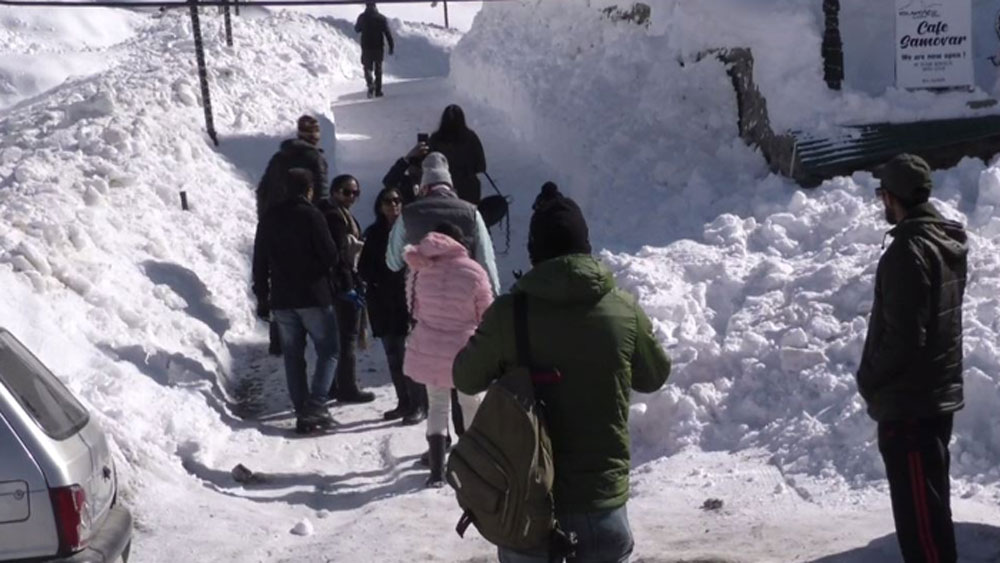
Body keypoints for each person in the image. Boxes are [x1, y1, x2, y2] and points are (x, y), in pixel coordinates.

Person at [453, 182, 672, 562]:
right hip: (603, 507)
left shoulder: (510, 314)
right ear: (585, 246)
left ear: (535, 252)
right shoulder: (623, 310)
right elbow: (654, 376)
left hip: (526, 507)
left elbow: (465, 377)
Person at [857, 153, 968, 563]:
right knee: (931, 510)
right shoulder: (945, 239)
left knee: (920, 523)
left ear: (891, 196)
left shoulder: (909, 250)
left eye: (881, 193)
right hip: (934, 394)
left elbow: (904, 336)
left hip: (910, 404)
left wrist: (869, 378)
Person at [404, 223, 493, 487]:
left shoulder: (420, 269)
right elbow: (486, 314)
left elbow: (414, 309)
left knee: (437, 406)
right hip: (465, 349)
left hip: (431, 346)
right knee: (471, 404)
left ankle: (436, 473)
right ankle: (472, 465)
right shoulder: (474, 271)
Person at [252, 169, 339, 434]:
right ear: (309, 189)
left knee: (293, 356)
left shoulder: (269, 218)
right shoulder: (312, 215)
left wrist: (263, 295)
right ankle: (317, 404)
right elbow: (330, 255)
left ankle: (303, 412)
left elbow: (259, 262)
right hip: (313, 295)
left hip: (282, 298)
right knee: (329, 350)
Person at [386, 151, 500, 296]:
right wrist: (493, 301)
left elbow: (393, 262)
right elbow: (486, 261)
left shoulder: (408, 214)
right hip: (464, 297)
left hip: (423, 300)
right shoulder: (472, 213)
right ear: (450, 185)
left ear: (424, 187)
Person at [358, 187, 427, 423]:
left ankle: (419, 404)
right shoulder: (375, 233)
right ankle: (404, 401)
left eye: (398, 200)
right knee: (393, 354)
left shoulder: (412, 231)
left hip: (409, 300)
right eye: (388, 201)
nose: (393, 205)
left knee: (411, 355)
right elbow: (364, 268)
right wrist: (378, 280)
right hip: (383, 302)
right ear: (380, 205)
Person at [318, 174, 375, 404]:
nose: (351, 197)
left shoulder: (331, 212)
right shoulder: (334, 217)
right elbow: (340, 254)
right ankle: (347, 387)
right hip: (341, 285)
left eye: (355, 193)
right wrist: (349, 284)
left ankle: (332, 385)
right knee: (346, 338)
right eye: (346, 191)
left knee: (334, 339)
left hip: (331, 285)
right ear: (334, 191)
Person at [257, 114, 329, 216]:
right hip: (305, 219)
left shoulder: (279, 157)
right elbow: (322, 194)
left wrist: (264, 218)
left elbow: (263, 190)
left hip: (275, 218)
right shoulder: (316, 159)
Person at [428, 104, 487, 205]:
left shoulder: (435, 139)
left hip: (443, 189)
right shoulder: (471, 137)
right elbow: (481, 166)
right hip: (469, 190)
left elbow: (428, 164)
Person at [354, 2, 394, 98]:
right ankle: (378, 91)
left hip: (366, 47)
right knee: (378, 69)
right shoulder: (381, 18)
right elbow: (387, 33)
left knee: (367, 67)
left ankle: (370, 84)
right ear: (375, 6)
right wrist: (391, 45)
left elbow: (357, 29)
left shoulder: (362, 17)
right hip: (378, 47)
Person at [382, 141, 429, 205]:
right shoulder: (404, 183)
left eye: (419, 166)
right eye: (413, 164)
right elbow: (388, 181)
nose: (415, 169)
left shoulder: (431, 183)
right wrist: (406, 159)